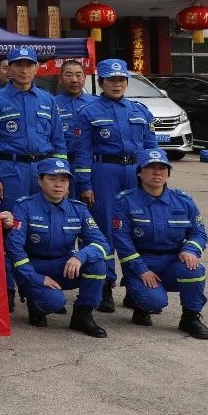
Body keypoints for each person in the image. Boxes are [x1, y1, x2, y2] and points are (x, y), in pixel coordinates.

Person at [70, 58, 157, 313]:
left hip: (135, 173)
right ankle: (105, 285)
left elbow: (151, 147)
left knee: (138, 227)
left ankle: (135, 285)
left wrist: (154, 176)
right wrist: (84, 183)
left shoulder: (140, 111)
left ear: (126, 82)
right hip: (104, 173)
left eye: (121, 80)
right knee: (105, 228)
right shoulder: (88, 112)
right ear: (101, 82)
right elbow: (83, 152)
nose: (116, 84)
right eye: (111, 80)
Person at [113, 149, 208, 339]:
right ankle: (141, 305)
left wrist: (191, 250)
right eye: (151, 168)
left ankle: (190, 317)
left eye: (162, 168)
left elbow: (199, 232)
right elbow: (122, 240)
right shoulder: (125, 201)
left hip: (173, 261)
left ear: (168, 173)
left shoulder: (183, 201)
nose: (157, 172)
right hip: (142, 262)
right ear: (139, 172)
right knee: (153, 301)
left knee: (194, 270)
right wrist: (141, 270)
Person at [5, 158, 108, 337]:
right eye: (52, 179)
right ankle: (35, 305)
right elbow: (14, 248)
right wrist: (36, 278)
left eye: (63, 180)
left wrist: (80, 257)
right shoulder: (24, 206)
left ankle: (82, 315)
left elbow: (101, 243)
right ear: (40, 180)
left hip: (64, 265)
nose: (58, 185)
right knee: (55, 301)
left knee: (97, 263)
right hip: (34, 268)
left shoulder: (79, 209)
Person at [0, 47, 67, 208]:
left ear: (36, 68)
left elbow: (58, 141)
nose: (24, 70)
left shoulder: (48, 99)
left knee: (44, 216)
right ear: (9, 69)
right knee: (12, 217)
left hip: (44, 171)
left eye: (29, 65)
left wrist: (62, 176)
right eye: (18, 65)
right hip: (11, 172)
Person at [53, 59, 95, 193]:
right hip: (63, 166)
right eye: (69, 75)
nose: (74, 80)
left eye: (78, 75)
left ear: (85, 77)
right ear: (60, 79)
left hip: (92, 166)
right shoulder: (51, 103)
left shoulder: (96, 103)